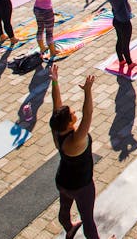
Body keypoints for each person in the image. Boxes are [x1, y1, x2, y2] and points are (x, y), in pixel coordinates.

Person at [48, 64, 115, 239]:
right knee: (88, 219)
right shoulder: (76, 139)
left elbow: (57, 107)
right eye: (72, 113)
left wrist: (55, 83)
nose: (74, 111)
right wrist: (87, 91)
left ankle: (68, 229)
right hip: (81, 186)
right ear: (69, 123)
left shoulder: (57, 131)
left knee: (64, 207)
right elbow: (88, 114)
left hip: (62, 181)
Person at [104, 0, 134, 71]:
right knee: (125, 44)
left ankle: (121, 59)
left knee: (120, 41)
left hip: (116, 21)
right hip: (125, 23)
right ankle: (129, 63)